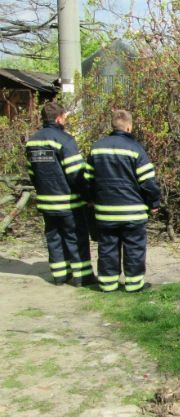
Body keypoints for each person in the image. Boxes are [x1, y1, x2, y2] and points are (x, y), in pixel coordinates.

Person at [84, 110, 161, 293]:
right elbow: (148, 183)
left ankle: (108, 284)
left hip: (105, 212)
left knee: (107, 248)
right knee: (134, 248)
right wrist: (154, 203)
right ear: (129, 126)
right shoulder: (136, 150)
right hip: (132, 212)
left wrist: (91, 200)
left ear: (113, 126)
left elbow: (87, 181)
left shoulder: (97, 148)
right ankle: (134, 285)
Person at [25, 102, 95, 286]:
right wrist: (88, 196)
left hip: (46, 202)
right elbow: (76, 174)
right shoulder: (64, 140)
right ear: (59, 118)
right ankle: (82, 277)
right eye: (64, 117)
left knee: (54, 238)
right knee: (76, 238)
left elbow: (32, 174)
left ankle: (59, 276)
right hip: (68, 202)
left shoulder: (32, 141)